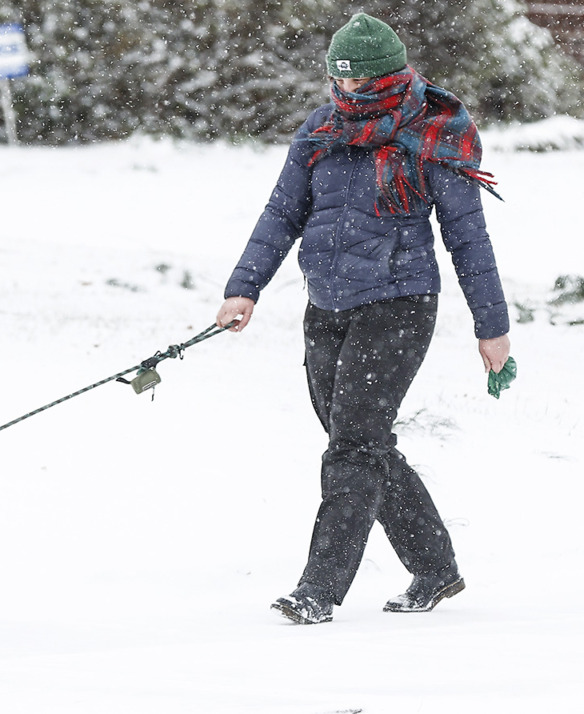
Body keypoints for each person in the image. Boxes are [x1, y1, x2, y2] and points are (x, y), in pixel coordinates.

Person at [216, 12, 511, 624]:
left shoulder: (431, 134)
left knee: (352, 447)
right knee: (361, 442)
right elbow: (281, 214)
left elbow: (469, 239)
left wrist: (492, 326)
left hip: (399, 306)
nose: (346, 94)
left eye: (358, 84)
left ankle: (319, 589)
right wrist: (244, 288)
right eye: (338, 81)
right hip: (326, 306)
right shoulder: (321, 130)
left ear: (389, 76)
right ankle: (435, 568)